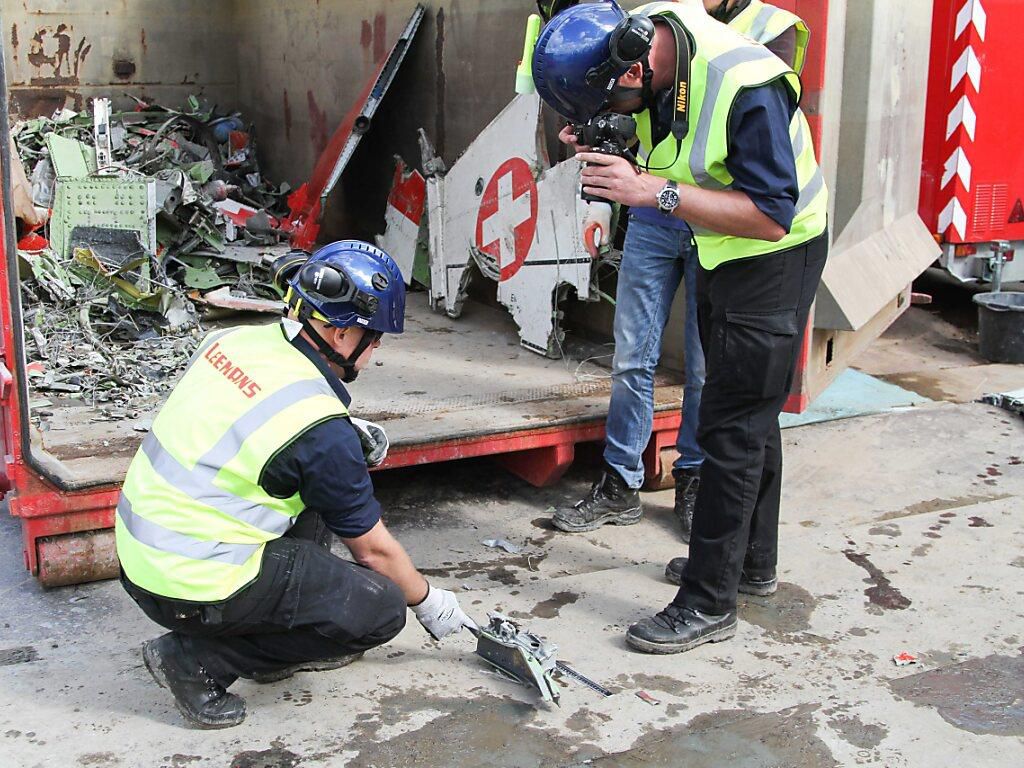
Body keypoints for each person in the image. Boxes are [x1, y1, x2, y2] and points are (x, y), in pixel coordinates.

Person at [532, 0, 828, 654]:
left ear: (636, 69)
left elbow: (771, 214)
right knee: (751, 415)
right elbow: (676, 132)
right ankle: (749, 564)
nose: (615, 111)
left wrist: (650, 192)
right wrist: (608, 136)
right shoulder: (645, 37)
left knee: (729, 425)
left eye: (614, 102)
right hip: (719, 248)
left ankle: (708, 600)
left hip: (772, 253)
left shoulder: (745, 86)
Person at [115, 241, 477, 728]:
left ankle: (260, 631)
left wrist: (340, 437)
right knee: (381, 608)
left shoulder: (232, 343)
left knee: (310, 503)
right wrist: (431, 603)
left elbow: (243, 421)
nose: (376, 350)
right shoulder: (319, 431)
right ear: (344, 333)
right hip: (190, 584)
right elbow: (374, 552)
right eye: (376, 338)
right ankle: (198, 661)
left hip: (141, 556)